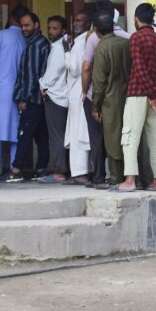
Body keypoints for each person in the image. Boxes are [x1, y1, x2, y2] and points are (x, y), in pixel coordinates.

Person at [118, 3, 156, 193]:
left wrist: (151, 93)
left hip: (138, 94)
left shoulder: (136, 38)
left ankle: (130, 180)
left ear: (136, 19)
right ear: (153, 20)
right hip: (155, 97)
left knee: (130, 136)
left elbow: (139, 68)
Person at [82, 0, 130, 187]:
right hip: (125, 96)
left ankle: (100, 176)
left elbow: (87, 68)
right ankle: (124, 176)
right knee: (120, 136)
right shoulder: (127, 37)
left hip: (100, 96)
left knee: (98, 139)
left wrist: (85, 93)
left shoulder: (96, 40)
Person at [0, 5, 29, 181]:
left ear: (10, 18)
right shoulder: (26, 39)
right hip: (20, 92)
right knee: (16, 130)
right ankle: (13, 169)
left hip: (0, 90)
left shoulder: (0, 36)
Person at [4, 12, 50, 183]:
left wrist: (23, 98)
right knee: (41, 135)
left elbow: (31, 77)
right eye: (22, 25)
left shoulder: (35, 46)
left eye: (27, 25)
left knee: (24, 134)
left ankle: (16, 170)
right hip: (40, 98)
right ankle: (41, 168)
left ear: (36, 25)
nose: (24, 29)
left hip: (32, 99)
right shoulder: (39, 43)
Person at [37, 16, 70, 184]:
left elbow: (53, 72)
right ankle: (64, 169)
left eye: (55, 28)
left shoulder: (58, 48)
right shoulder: (64, 46)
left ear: (63, 30)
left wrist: (42, 85)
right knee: (63, 136)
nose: (50, 32)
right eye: (49, 28)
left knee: (57, 137)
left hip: (56, 97)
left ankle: (59, 172)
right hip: (63, 96)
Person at [63, 11, 91, 184]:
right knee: (79, 131)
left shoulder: (81, 42)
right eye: (75, 20)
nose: (75, 23)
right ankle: (79, 171)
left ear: (88, 23)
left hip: (78, 91)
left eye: (80, 21)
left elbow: (74, 69)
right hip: (78, 91)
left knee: (78, 132)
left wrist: (66, 50)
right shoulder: (84, 40)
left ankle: (80, 172)